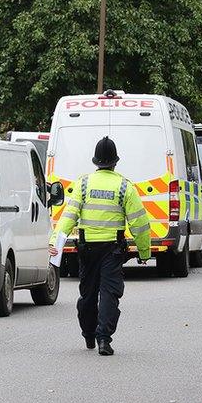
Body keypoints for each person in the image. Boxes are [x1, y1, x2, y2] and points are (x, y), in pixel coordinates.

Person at [48, 137, 152, 356]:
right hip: (112, 250)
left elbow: (68, 217)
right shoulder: (125, 186)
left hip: (87, 250)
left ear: (95, 161)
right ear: (115, 162)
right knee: (109, 293)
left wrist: (55, 242)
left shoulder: (83, 184)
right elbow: (140, 223)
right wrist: (144, 252)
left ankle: (88, 334)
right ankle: (103, 339)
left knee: (88, 294)